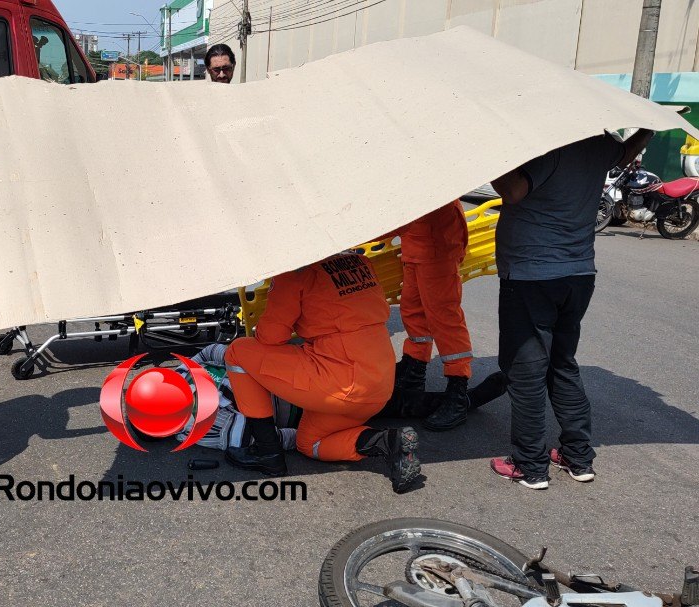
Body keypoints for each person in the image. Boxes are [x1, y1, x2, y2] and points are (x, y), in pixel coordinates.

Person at [487, 129, 652, 490]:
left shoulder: (553, 143)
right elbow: (625, 155)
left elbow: (513, 191)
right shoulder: (601, 143)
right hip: (578, 274)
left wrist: (489, 155)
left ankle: (530, 465)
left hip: (532, 275)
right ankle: (577, 457)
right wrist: (647, 130)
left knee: (526, 372)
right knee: (562, 363)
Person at [223, 252, 423, 494]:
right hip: (379, 385)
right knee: (309, 444)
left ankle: (268, 453)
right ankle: (387, 441)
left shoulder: (294, 272)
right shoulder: (359, 261)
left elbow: (271, 337)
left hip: (339, 386)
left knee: (238, 352)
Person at [388, 200, 475, 430]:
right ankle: (413, 372)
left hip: (437, 244)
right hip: (417, 242)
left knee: (445, 320)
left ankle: (457, 390)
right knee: (413, 312)